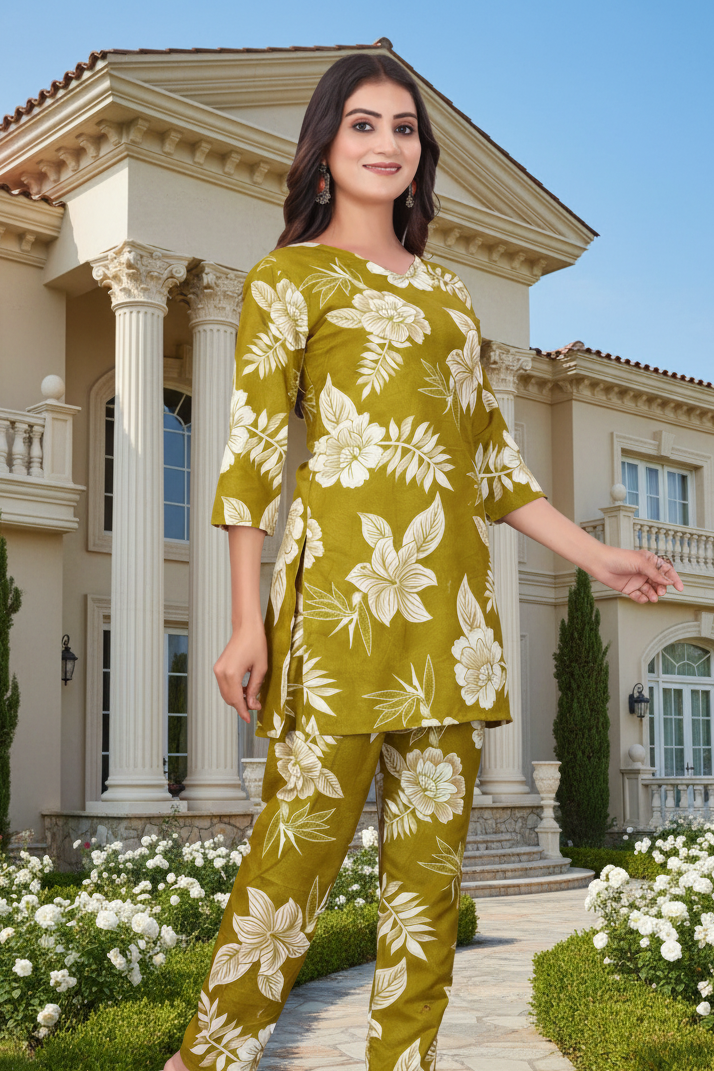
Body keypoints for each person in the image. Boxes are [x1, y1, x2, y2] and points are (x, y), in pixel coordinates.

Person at [165, 53, 683, 1071]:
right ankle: (204, 1060)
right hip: (337, 616)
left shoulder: (450, 297)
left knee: (427, 888)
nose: (388, 143)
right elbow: (250, 462)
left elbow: (495, 466)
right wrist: (244, 619)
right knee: (293, 858)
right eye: (365, 125)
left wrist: (600, 561)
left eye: (405, 128)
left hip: (448, 620)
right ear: (325, 145)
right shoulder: (287, 280)